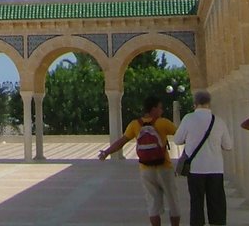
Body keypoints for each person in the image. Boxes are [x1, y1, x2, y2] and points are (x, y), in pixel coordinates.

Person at [99, 95, 181, 226]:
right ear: (153, 109)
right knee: (173, 202)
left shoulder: (134, 124)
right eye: (160, 108)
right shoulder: (163, 122)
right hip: (164, 167)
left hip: (146, 169)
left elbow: (121, 142)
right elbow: (181, 135)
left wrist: (106, 152)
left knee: (153, 204)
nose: (161, 111)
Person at [174, 89, 232, 226]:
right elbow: (228, 145)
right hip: (215, 168)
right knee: (217, 204)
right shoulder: (219, 121)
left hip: (195, 169)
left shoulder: (188, 119)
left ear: (195, 103)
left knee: (196, 203)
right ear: (209, 103)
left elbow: (177, 140)